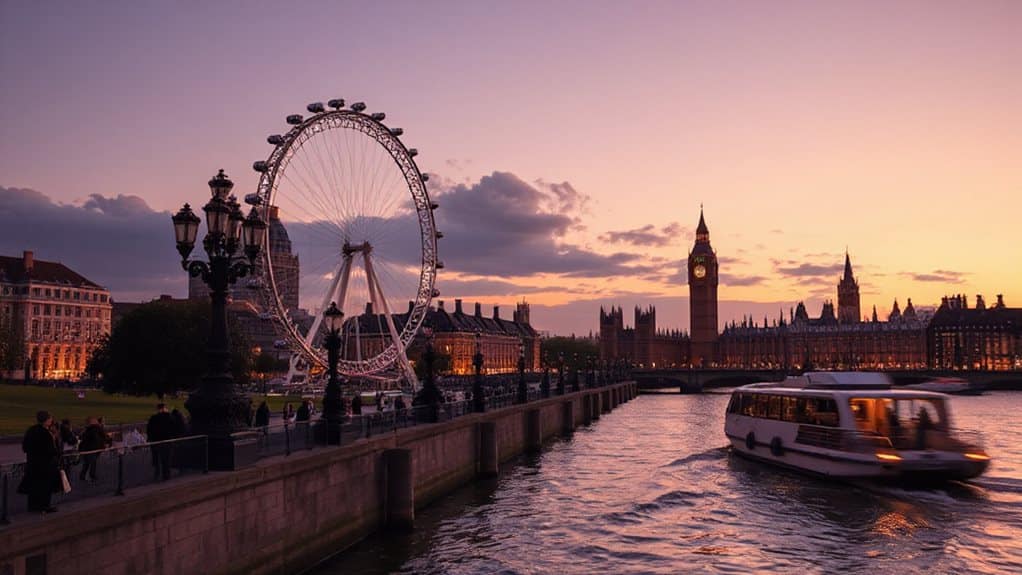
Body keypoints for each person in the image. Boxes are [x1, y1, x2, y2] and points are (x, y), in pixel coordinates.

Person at [19, 411, 61, 513]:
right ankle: (44, 506)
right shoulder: (46, 433)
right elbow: (52, 451)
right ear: (46, 420)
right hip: (45, 465)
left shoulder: (31, 430)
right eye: (50, 419)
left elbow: (25, 447)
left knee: (34, 486)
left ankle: (33, 506)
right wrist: (55, 439)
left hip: (32, 463)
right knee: (45, 487)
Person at [146, 403, 176, 481]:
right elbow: (174, 428)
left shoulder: (154, 418)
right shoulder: (169, 417)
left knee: (156, 459)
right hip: (167, 440)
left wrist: (150, 438)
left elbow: (149, 429)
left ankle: (157, 474)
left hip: (156, 441)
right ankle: (166, 476)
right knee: (166, 459)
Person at [78, 416, 106, 482]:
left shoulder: (88, 429)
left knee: (87, 463)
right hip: (92, 449)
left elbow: (82, 437)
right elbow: (102, 437)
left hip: (88, 449)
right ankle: (91, 476)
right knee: (92, 463)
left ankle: (83, 476)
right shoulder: (97, 429)